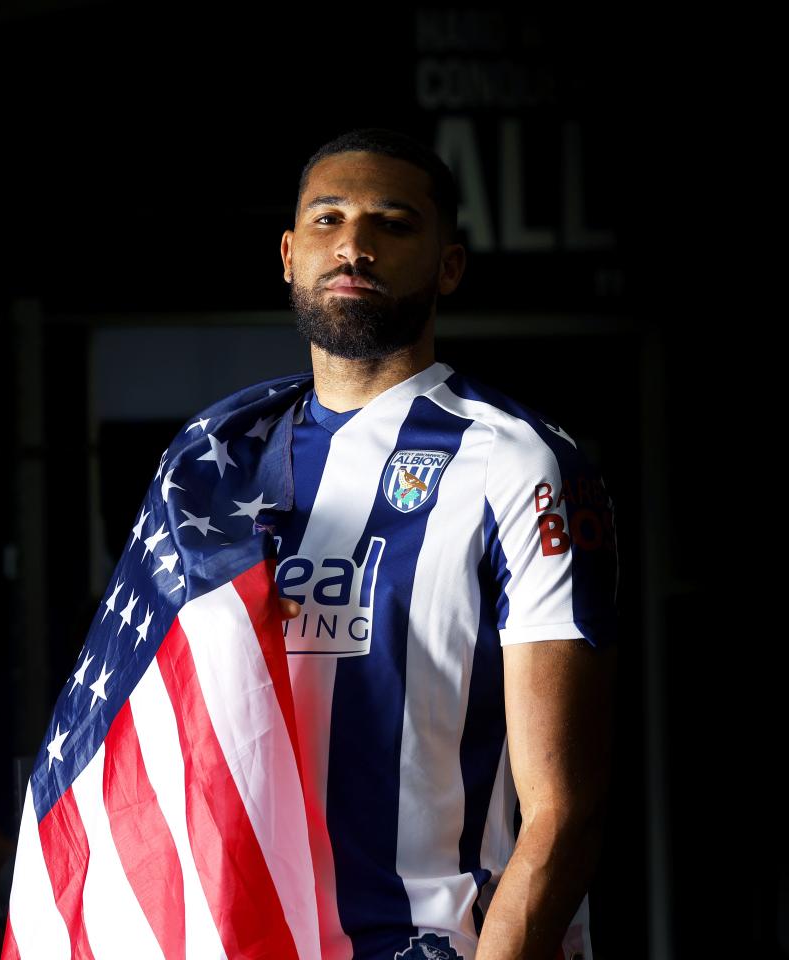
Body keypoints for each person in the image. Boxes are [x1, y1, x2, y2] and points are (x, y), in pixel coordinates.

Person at [256, 127, 621, 960]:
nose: (354, 244)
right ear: (288, 253)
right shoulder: (224, 464)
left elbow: (564, 811)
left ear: (448, 266)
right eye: (328, 219)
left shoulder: (515, 463)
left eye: (392, 223)